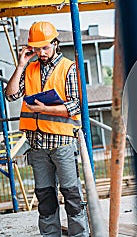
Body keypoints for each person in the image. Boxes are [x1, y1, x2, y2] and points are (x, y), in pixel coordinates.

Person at [5, 21, 89, 237]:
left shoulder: (68, 67)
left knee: (72, 196)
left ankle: (79, 235)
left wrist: (47, 109)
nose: (41, 53)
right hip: (37, 146)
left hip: (62, 145)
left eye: (45, 48)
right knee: (45, 198)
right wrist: (21, 64)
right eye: (37, 49)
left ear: (55, 43)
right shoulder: (30, 69)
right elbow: (11, 94)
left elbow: (76, 105)